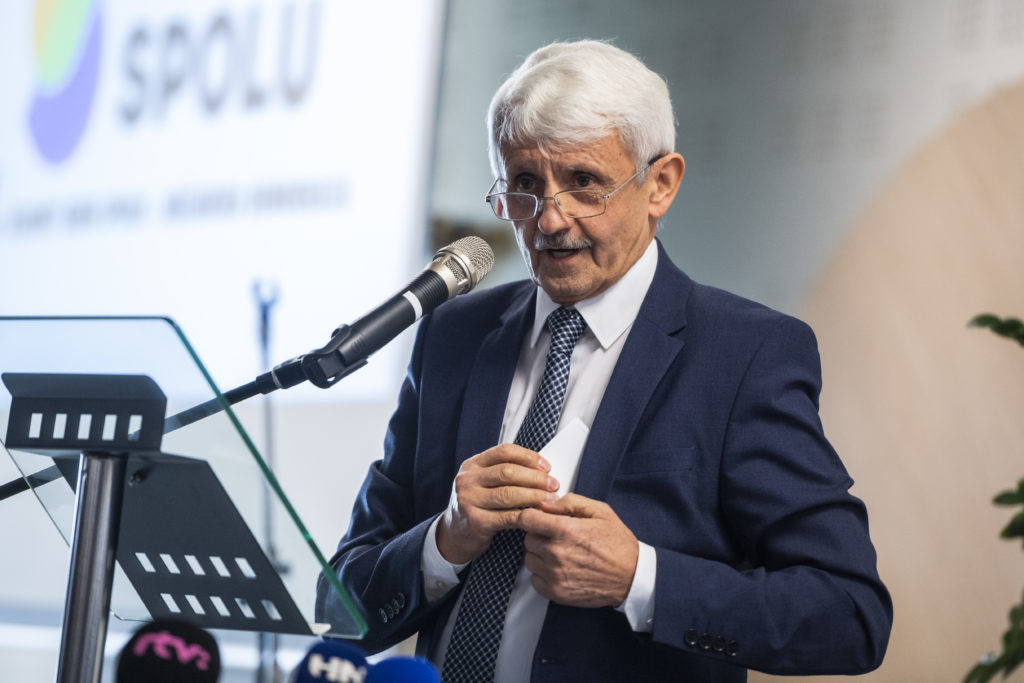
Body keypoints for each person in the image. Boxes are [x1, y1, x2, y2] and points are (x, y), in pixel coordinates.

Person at [316, 39, 892, 682]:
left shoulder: (744, 355)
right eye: (525, 185)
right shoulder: (453, 336)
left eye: (584, 183)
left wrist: (640, 579)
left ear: (660, 185)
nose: (550, 220)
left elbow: (850, 614)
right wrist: (442, 543)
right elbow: (339, 607)